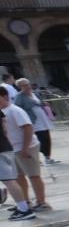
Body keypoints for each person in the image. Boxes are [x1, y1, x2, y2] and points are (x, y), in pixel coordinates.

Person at [0, 89, 44, 218]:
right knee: (18, 177)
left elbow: (28, 127)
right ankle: (25, 202)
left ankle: (41, 202)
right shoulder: (4, 112)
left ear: (4, 96)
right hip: (13, 149)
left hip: (25, 147)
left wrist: (25, 148)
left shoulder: (15, 110)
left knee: (33, 175)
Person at [12, 80, 55, 164]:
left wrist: (44, 104)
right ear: (20, 87)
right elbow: (18, 108)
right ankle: (41, 157)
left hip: (42, 118)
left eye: (27, 84)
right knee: (41, 138)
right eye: (24, 85)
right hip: (33, 120)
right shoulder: (19, 96)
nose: (27, 86)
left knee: (46, 137)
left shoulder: (34, 93)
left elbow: (40, 102)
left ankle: (48, 157)